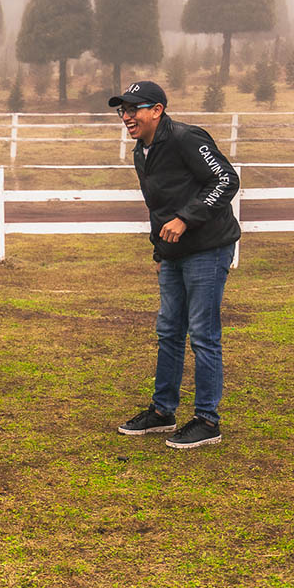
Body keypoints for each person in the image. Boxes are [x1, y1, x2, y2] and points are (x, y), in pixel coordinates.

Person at [110, 81, 240, 449]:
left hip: (208, 248)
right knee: (169, 331)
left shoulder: (187, 138)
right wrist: (158, 252)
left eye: (134, 109)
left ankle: (207, 421)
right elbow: (158, 207)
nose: (127, 116)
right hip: (173, 256)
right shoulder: (142, 151)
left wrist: (186, 217)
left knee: (202, 334)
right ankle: (163, 412)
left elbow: (226, 179)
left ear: (158, 110)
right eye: (123, 110)